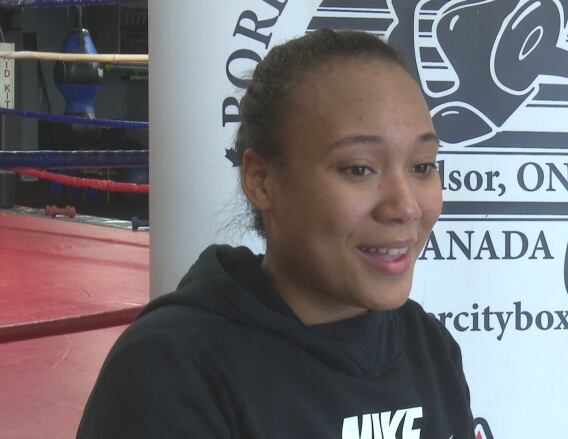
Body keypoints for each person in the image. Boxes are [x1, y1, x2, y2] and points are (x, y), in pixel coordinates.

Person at [78, 29, 474, 438]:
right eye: (359, 168)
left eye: (423, 166)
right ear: (261, 180)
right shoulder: (171, 370)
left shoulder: (427, 346)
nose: (405, 206)